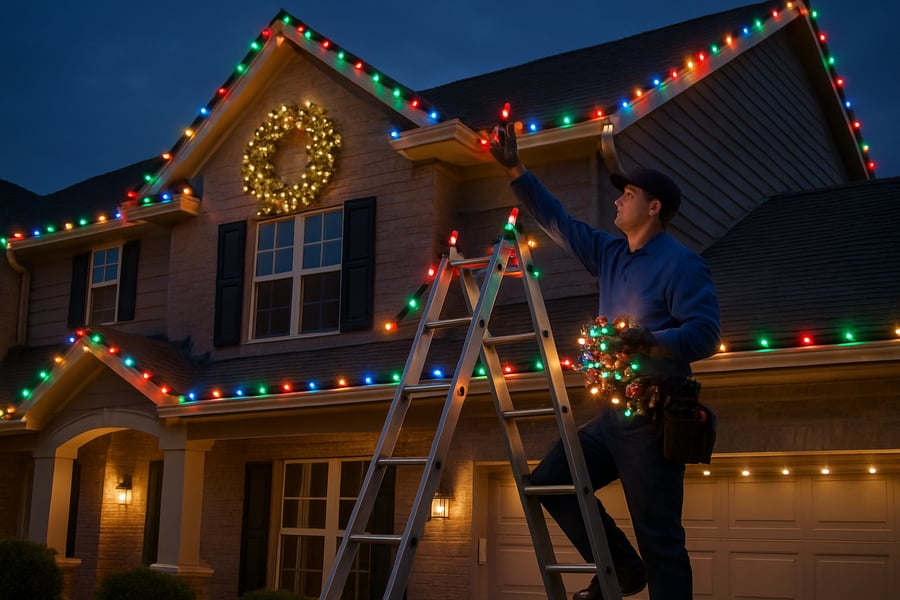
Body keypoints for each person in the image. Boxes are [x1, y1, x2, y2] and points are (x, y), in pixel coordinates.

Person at [490, 123, 720, 600]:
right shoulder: (611, 253)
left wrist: (648, 340)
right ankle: (620, 565)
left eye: (629, 194)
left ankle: (645, 571)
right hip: (612, 416)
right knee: (552, 481)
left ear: (653, 207)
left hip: (655, 421)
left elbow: (705, 334)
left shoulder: (682, 264)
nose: (618, 201)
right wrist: (517, 169)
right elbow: (560, 222)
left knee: (661, 540)